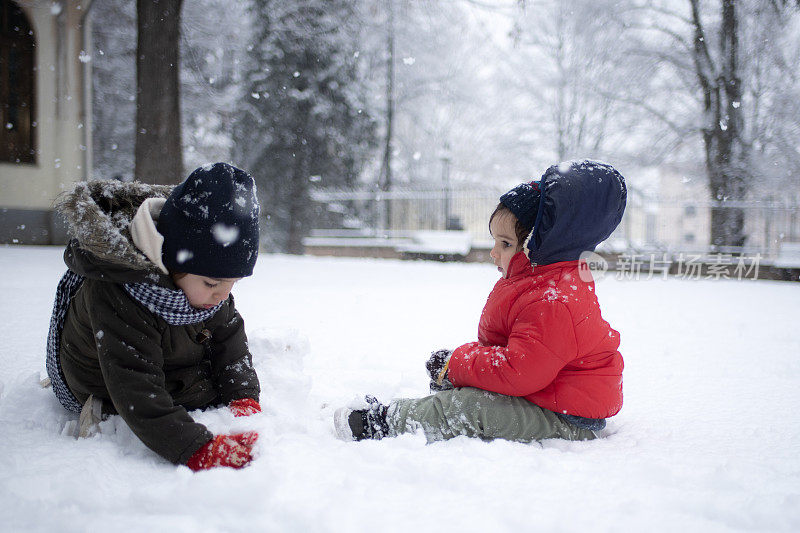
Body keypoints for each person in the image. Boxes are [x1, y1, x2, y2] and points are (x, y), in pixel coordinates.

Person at [335, 160, 626, 444]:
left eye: (505, 244)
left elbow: (519, 371)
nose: (493, 252)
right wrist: (456, 362)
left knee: (470, 408)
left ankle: (384, 423)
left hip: (565, 417)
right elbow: (511, 352)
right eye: (494, 241)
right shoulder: (537, 283)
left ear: (536, 246)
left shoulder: (553, 301)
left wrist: (459, 365)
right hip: (546, 393)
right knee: (470, 397)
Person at [46, 163, 262, 471]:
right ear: (174, 263)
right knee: (185, 391)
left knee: (210, 376)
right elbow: (133, 385)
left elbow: (230, 340)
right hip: (108, 384)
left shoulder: (205, 282)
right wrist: (195, 447)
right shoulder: (120, 291)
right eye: (213, 284)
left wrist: (242, 396)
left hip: (160, 358)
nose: (223, 295)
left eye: (233, 284)